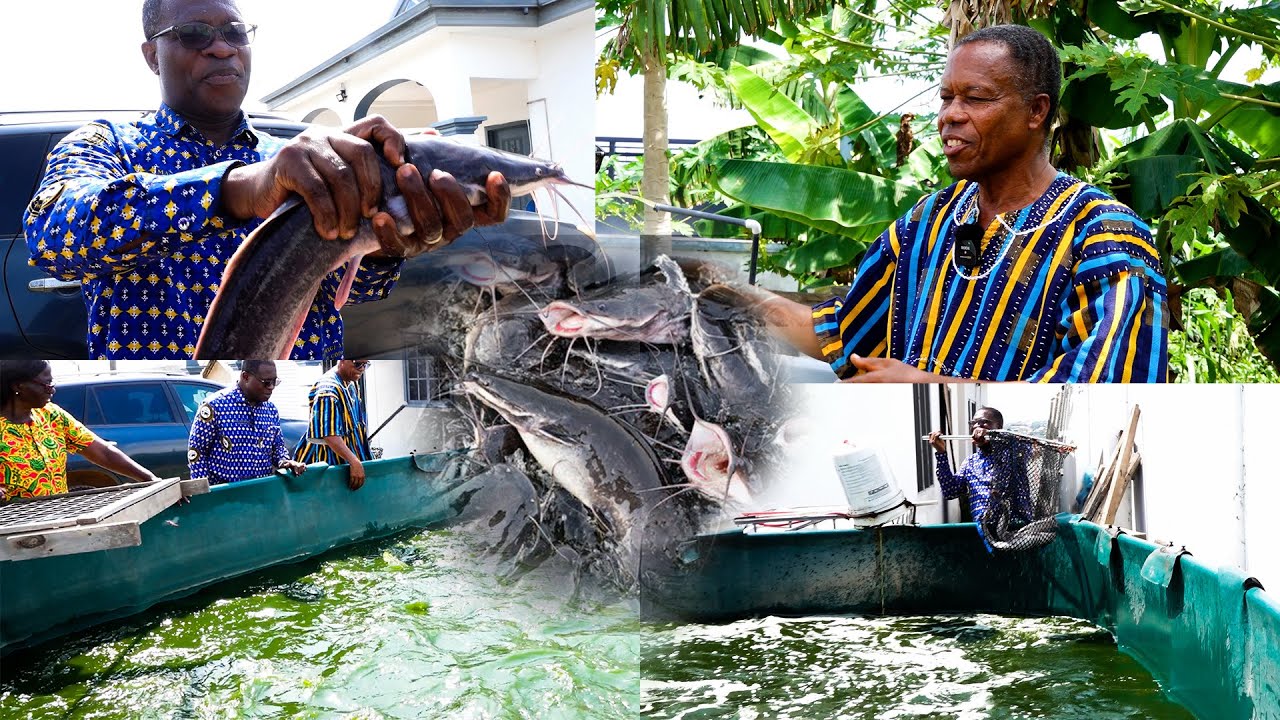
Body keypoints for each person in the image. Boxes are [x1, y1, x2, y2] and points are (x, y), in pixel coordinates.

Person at [22, 0, 510, 360]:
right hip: (168, 432)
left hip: (302, 436)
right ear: (152, 55)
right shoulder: (109, 143)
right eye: (193, 33)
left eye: (235, 32)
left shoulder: (307, 158)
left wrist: (385, 244)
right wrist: (237, 190)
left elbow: (343, 290)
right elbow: (56, 234)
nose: (220, 47)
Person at [743, 24, 1168, 382]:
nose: (951, 115)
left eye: (976, 98)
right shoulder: (928, 221)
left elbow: (1112, 389)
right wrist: (721, 292)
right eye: (946, 97)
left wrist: (933, 388)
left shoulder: (1103, 233)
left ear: (1036, 111)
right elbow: (843, 331)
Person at [1, 360, 162, 501]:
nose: (52, 390)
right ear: (19, 386)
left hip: (55, 517)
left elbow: (103, 452)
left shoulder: (51, 415)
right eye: (47, 384)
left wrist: (150, 479)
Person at [188, 360, 307, 485]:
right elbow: (197, 453)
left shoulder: (271, 410)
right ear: (246, 377)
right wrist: (204, 492)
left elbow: (278, 448)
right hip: (225, 496)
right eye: (266, 382)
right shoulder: (214, 406)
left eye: (274, 382)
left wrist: (286, 462)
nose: (271, 387)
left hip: (260, 494)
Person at [928, 407, 1032, 548]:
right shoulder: (970, 462)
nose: (977, 427)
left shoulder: (1014, 453)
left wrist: (995, 439)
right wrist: (941, 453)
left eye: (984, 422)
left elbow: (1026, 448)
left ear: (999, 427)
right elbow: (950, 491)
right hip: (985, 534)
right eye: (974, 423)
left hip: (1016, 531)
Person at [294, 359, 373, 490]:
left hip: (348, 463)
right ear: (342, 360)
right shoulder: (327, 391)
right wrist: (354, 462)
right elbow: (329, 435)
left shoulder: (351, 382)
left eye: (366, 364)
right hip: (330, 467)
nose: (362, 368)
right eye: (358, 363)